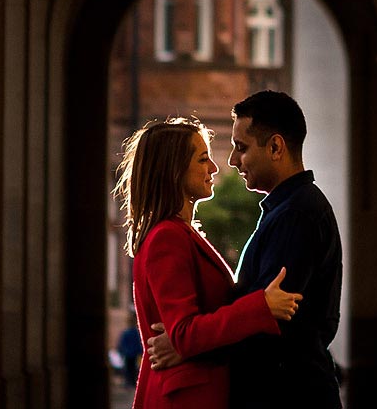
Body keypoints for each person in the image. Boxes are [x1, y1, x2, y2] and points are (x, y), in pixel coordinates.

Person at [147, 91, 343, 409]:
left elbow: (269, 323)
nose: (231, 161)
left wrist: (188, 345)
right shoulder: (290, 209)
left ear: (276, 147)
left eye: (242, 148)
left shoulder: (297, 213)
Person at [116, 116, 304, 409]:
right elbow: (184, 333)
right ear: (173, 170)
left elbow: (183, 337)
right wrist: (261, 306)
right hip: (185, 398)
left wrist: (184, 344)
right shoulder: (167, 237)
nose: (214, 167)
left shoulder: (180, 233)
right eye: (203, 159)